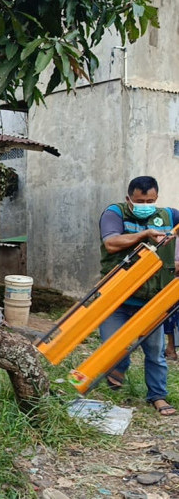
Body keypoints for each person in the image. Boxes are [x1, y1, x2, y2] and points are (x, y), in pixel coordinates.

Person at [99, 175, 178, 416]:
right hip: (118, 297)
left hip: (153, 299)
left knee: (154, 351)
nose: (146, 204)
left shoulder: (169, 215)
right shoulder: (115, 213)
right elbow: (112, 243)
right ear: (129, 199)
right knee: (112, 346)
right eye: (140, 200)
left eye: (150, 200)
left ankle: (158, 396)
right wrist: (144, 235)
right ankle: (119, 369)